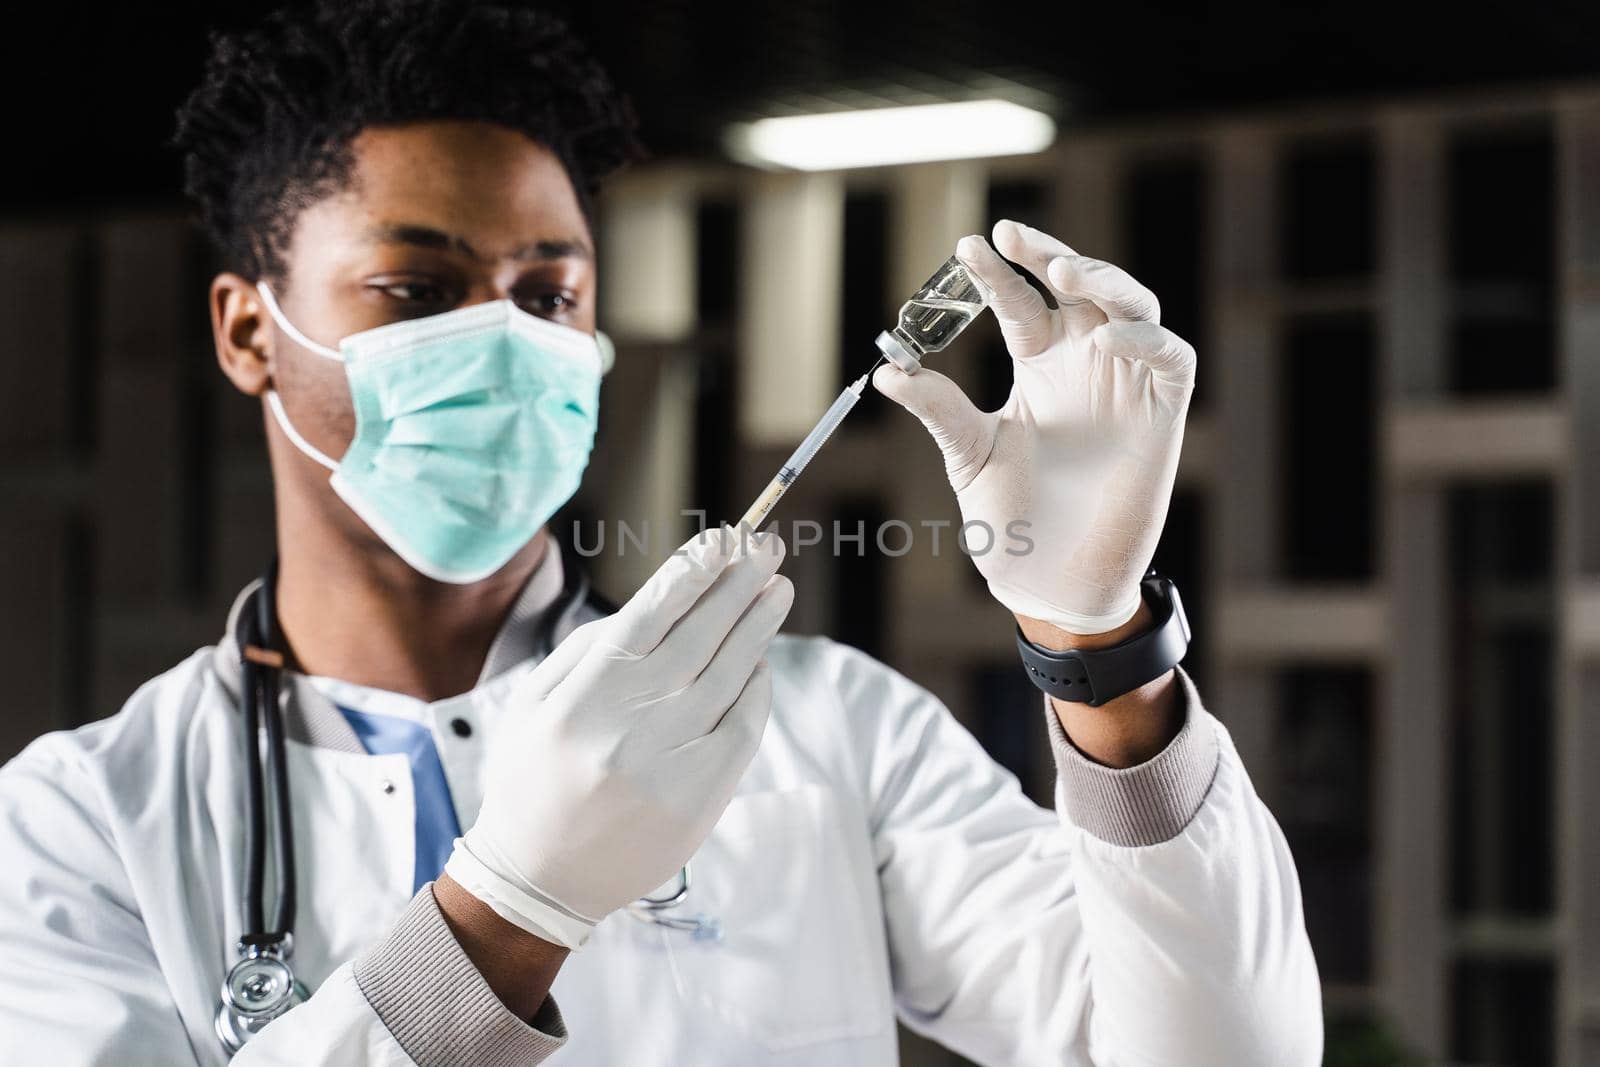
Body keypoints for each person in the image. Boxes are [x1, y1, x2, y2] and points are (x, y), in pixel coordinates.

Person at [0, 1, 1323, 1063]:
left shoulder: (826, 735)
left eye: (548, 290)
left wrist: (1103, 648)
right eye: (418, 285)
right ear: (248, 331)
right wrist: (508, 915)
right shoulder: (82, 826)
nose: (504, 338)